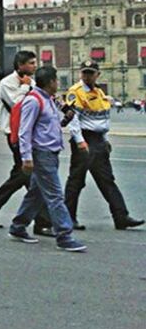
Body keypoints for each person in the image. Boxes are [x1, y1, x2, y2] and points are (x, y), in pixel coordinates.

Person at [6, 66, 86, 251]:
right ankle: (64, 235)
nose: (58, 83)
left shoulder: (48, 99)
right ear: (50, 82)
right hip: (41, 154)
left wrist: (65, 120)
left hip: (51, 152)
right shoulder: (34, 101)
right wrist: (26, 158)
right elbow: (24, 131)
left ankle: (18, 226)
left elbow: (48, 126)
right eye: (56, 80)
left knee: (37, 193)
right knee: (56, 195)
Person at [0, 51, 52, 234]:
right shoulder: (7, 83)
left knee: (22, 176)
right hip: (15, 134)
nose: (35, 66)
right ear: (20, 65)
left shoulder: (31, 83)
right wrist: (26, 88)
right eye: (31, 63)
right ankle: (41, 221)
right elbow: (18, 103)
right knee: (31, 177)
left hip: (29, 133)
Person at [63, 61, 143, 231]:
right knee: (76, 180)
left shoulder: (99, 93)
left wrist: (105, 139)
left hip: (98, 140)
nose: (87, 76)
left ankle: (121, 217)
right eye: (84, 73)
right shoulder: (75, 92)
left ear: (98, 74)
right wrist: (79, 141)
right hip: (85, 139)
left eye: (91, 73)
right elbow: (74, 119)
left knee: (106, 180)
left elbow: (102, 120)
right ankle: (68, 218)